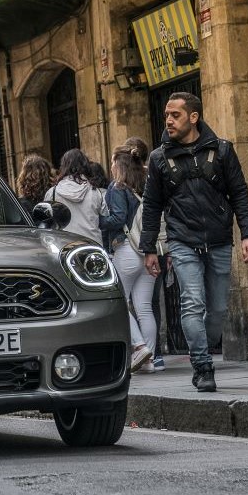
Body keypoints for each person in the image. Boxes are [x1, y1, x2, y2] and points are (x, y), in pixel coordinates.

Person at [139, 93, 248, 393]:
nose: (168, 121)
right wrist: (149, 248)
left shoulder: (222, 150)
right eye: (166, 115)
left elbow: (240, 193)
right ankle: (203, 366)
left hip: (219, 240)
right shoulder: (159, 158)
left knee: (217, 310)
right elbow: (151, 206)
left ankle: (201, 348)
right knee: (192, 302)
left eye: (175, 115)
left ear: (193, 117)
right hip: (182, 240)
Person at [100, 142, 157, 373]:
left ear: (119, 164)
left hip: (126, 251)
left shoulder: (117, 187)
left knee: (118, 302)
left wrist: (98, 220)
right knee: (144, 307)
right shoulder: (147, 184)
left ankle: (140, 347)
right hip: (149, 251)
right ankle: (150, 361)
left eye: (113, 162)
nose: (111, 167)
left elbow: (117, 219)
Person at [46, 149, 104, 242]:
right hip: (92, 243)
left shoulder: (52, 193)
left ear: (63, 167)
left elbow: (47, 221)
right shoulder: (95, 191)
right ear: (85, 165)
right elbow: (104, 217)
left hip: (65, 244)